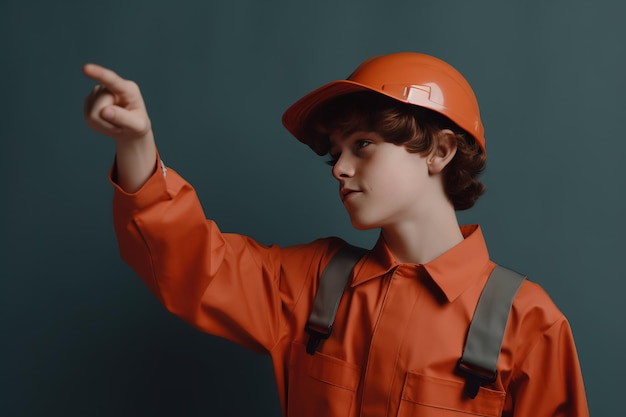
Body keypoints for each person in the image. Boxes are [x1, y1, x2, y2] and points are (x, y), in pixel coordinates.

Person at [83, 52, 589, 416]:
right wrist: (137, 145)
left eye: (363, 145)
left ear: (439, 151)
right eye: (335, 151)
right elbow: (192, 263)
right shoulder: (310, 282)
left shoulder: (529, 326)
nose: (339, 168)